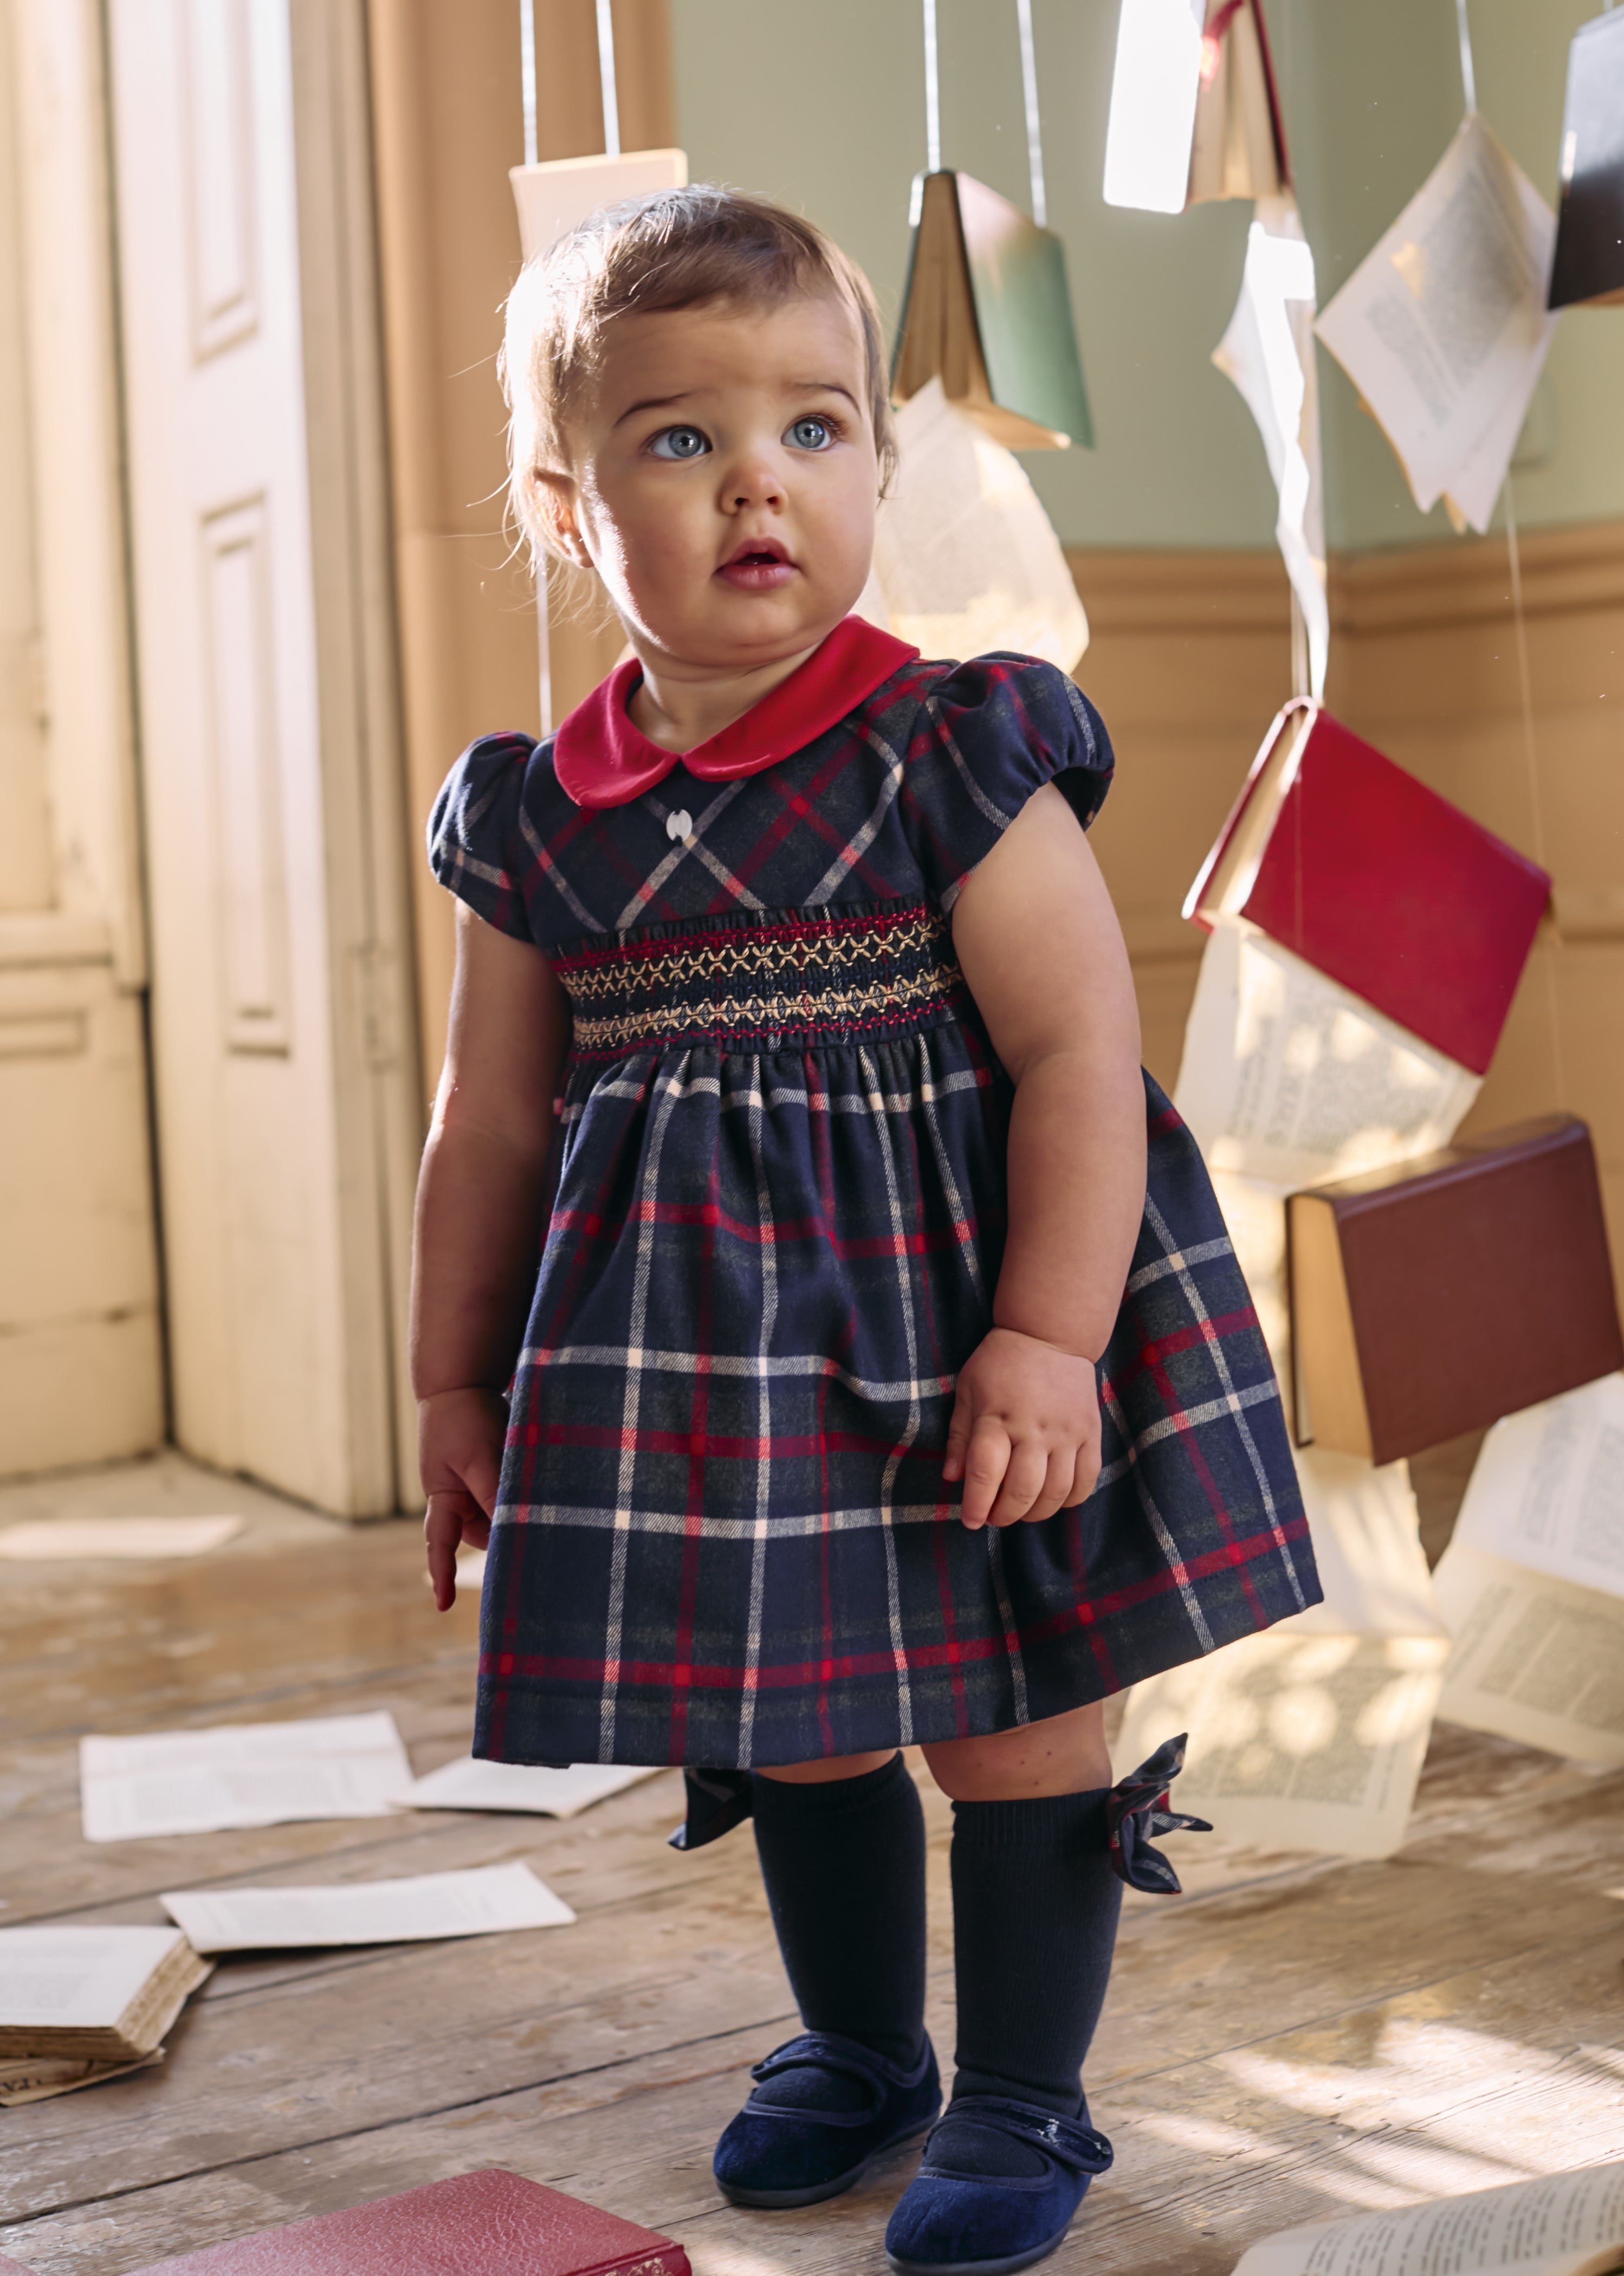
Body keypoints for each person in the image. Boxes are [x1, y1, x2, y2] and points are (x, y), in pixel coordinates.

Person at [413, 185, 1318, 2275]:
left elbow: (1084, 1053)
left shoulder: (947, 744)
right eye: (681, 438)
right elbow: (499, 1116)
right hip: (721, 1360)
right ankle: (858, 2044)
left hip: (970, 1319)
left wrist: (1049, 1338)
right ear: (567, 509)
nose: (760, 480)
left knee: (1015, 1707)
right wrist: (462, 1374)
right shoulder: (538, 818)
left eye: (815, 428)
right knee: (795, 1698)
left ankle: (1019, 2091)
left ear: (878, 473)